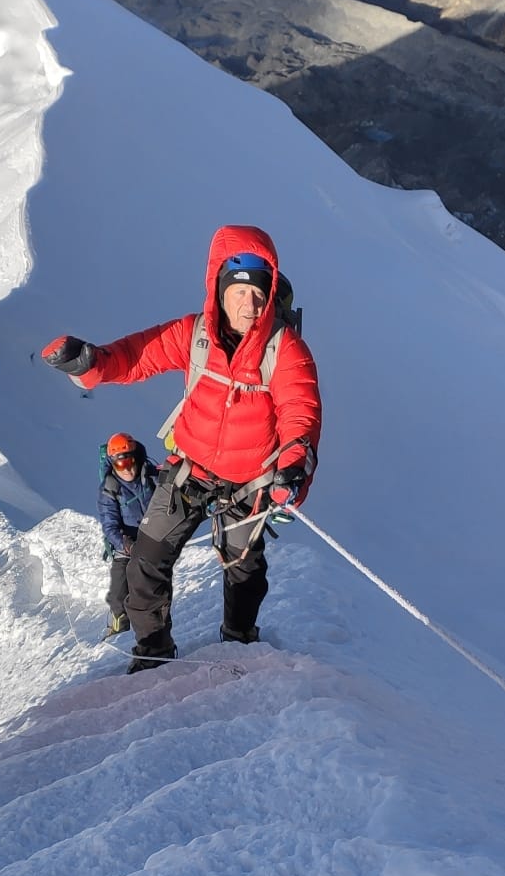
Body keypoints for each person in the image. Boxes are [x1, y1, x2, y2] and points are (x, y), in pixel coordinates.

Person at [43, 225, 321, 672]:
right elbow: (138, 355)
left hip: (251, 480)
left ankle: (239, 640)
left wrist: (293, 469)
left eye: (258, 294)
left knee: (244, 569)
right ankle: (152, 652)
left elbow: (300, 413)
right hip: (191, 469)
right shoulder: (194, 336)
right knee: (145, 563)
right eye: (240, 292)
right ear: (219, 289)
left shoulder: (285, 350)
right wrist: (92, 364)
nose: (249, 305)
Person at [98, 432, 159, 637]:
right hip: (127, 545)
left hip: (152, 537)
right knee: (118, 591)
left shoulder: (149, 475)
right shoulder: (110, 488)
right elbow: (110, 525)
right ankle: (120, 625)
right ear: (113, 465)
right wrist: (126, 544)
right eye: (120, 465)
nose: (127, 469)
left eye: (130, 462)